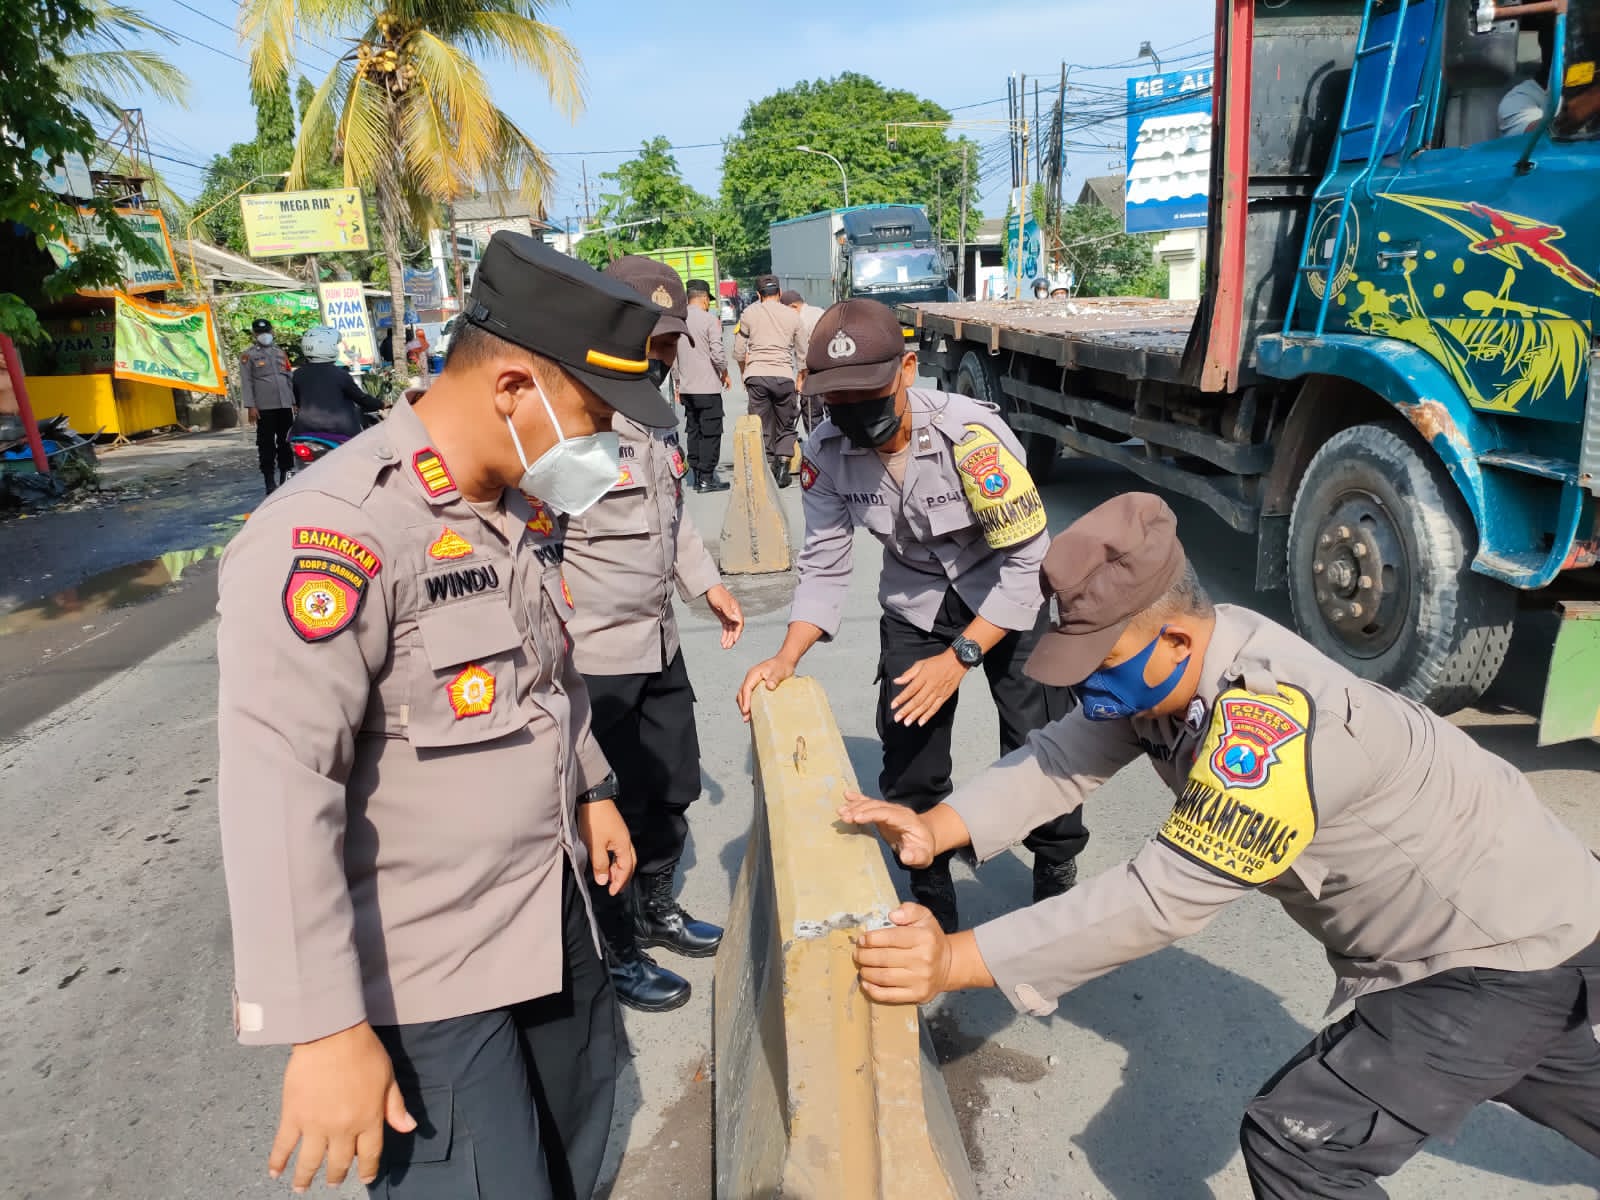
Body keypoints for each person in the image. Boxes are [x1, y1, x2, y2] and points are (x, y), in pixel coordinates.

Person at [843, 491, 1600, 1197]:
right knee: (1547, 1065)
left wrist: (951, 961)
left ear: (1175, 636)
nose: (1084, 690)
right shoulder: (1180, 659)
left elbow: (1156, 900)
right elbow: (1058, 758)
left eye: (1099, 665)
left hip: (1496, 945)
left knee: (1299, 1144)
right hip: (1527, 914)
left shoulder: (1271, 723)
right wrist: (937, 827)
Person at [215, 231, 676, 1199]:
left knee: (574, 1153)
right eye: (594, 417)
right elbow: (277, 788)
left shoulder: (510, 505)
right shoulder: (336, 530)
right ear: (513, 388)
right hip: (429, 972)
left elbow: (544, 675)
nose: (604, 447)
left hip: (546, 910)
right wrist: (324, 1028)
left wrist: (592, 789)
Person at [736, 298, 1089, 933]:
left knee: (1039, 739)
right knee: (909, 752)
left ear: (906, 369)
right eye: (837, 398)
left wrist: (961, 657)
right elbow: (824, 562)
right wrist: (787, 656)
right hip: (916, 602)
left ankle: (1055, 863)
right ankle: (930, 885)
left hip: (1006, 594)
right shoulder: (825, 450)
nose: (852, 411)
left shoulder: (971, 438)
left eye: (866, 393)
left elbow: (1027, 560)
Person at [557, 256, 746, 1013]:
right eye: (657, 340)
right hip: (595, 655)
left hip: (659, 643)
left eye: (672, 341)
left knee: (671, 784)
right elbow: (536, 547)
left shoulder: (653, 414)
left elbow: (673, 518)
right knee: (607, 804)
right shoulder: (574, 422)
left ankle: (656, 907)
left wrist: (710, 586)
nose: (668, 354)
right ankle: (617, 945)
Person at [732, 273, 807, 487]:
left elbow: (739, 351)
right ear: (780, 293)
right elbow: (803, 352)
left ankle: (766, 466)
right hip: (783, 375)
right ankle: (782, 465)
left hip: (757, 376)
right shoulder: (793, 315)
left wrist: (744, 372)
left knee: (761, 423)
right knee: (786, 423)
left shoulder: (748, 313)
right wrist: (801, 376)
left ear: (758, 295)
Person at [673, 278, 731, 492]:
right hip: (707, 388)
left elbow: (673, 358)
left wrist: (678, 384)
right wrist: (724, 372)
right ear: (705, 299)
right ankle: (707, 478)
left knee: (694, 431)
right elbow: (717, 354)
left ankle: (697, 475)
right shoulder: (709, 320)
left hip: (687, 389)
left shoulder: (678, 321)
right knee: (711, 433)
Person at [290, 324, 383, 442]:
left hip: (304, 431)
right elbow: (361, 399)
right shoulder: (340, 374)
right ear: (328, 347)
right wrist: (382, 404)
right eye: (335, 345)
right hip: (340, 431)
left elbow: (297, 401)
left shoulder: (297, 374)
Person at [240, 317, 296, 495]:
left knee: (286, 442)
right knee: (266, 445)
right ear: (254, 334)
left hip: (284, 404)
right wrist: (251, 406)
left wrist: (294, 401)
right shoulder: (248, 355)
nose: (263, 335)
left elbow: (288, 377)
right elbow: (246, 382)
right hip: (264, 407)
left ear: (272, 332)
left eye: (266, 331)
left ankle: (287, 477)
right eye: (259, 332)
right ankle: (269, 480)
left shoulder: (281, 353)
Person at [782, 289, 829, 436]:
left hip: (814, 373)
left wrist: (800, 379)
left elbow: (804, 354)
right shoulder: (820, 312)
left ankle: (817, 444)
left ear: (793, 306)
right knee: (834, 413)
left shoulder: (800, 320)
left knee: (812, 414)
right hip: (833, 372)